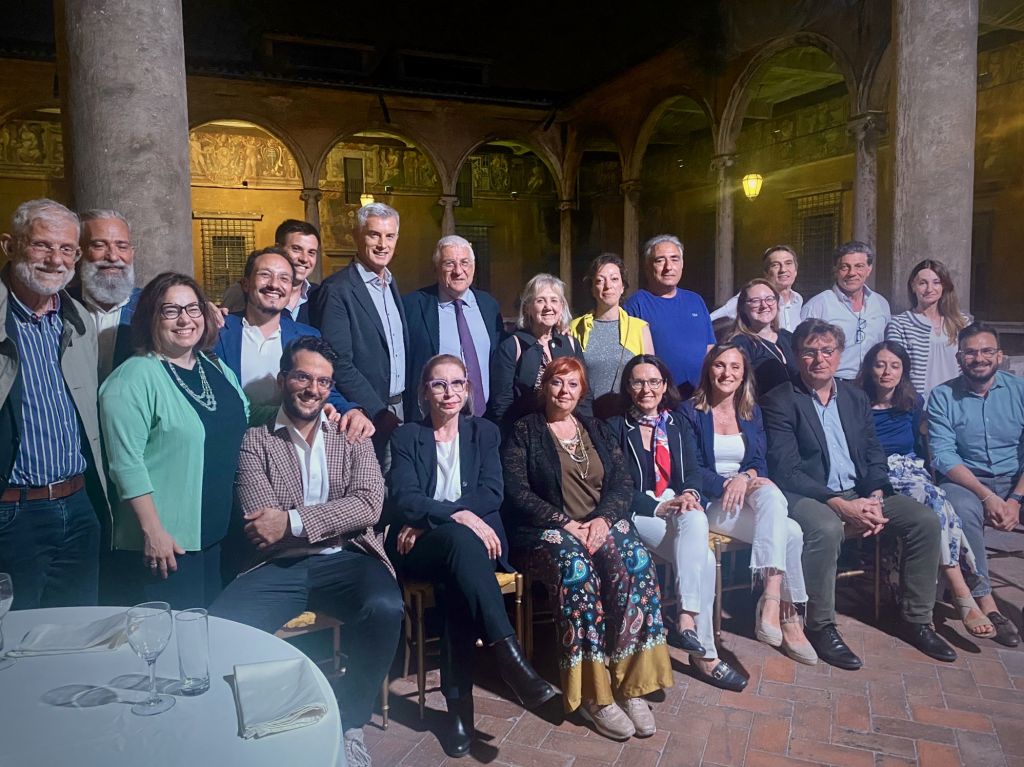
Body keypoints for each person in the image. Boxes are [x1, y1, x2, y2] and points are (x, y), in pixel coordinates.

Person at [209, 337, 403, 767]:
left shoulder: (352, 434)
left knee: (387, 607)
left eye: (323, 381)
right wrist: (327, 518)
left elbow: (370, 504)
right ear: (282, 381)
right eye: (302, 376)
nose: (312, 388)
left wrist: (293, 522)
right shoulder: (254, 441)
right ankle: (249, 730)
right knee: (218, 631)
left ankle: (351, 722)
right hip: (278, 566)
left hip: (350, 558)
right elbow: (263, 527)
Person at [761, 318, 956, 669]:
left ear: (839, 355)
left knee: (924, 521)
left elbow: (872, 452)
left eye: (827, 351)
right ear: (796, 356)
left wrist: (877, 495)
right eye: (809, 352)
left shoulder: (854, 397)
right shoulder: (780, 400)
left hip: (859, 492)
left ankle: (917, 619)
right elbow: (785, 469)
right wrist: (839, 504)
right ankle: (820, 626)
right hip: (808, 495)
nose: (819, 359)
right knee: (827, 527)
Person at [388, 354, 556, 757]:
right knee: (460, 544)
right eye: (439, 384)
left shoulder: (485, 432)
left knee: (456, 582)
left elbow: (492, 492)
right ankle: (509, 658)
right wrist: (457, 515)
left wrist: (432, 517)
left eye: (457, 383)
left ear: (469, 390)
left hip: (467, 546)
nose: (449, 393)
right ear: (423, 392)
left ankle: (458, 711)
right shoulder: (407, 436)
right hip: (422, 548)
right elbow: (404, 497)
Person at [502, 356, 671, 741]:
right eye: (558, 383)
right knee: (576, 571)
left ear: (582, 391)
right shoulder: (524, 431)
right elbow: (516, 492)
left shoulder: (595, 428)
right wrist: (565, 524)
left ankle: (633, 683)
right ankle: (596, 695)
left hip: (598, 524)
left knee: (635, 561)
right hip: (546, 531)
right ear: (544, 387)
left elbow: (623, 483)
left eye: (573, 385)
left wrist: (603, 520)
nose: (565, 391)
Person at [100, 273, 249, 608]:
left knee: (209, 640)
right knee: (170, 647)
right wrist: (153, 532)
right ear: (150, 317)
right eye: (170, 311)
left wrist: (311, 407)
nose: (185, 319)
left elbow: (246, 414)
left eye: (193, 309)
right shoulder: (132, 379)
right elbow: (125, 464)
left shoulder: (213, 366)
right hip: (167, 545)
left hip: (217, 534)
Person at [607, 355, 749, 691]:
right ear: (628, 387)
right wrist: (657, 507)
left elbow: (694, 472)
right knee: (704, 557)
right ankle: (706, 656)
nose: (647, 389)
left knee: (696, 524)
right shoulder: (614, 428)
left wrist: (689, 493)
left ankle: (687, 622)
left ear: (664, 385)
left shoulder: (677, 423)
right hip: (640, 513)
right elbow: (616, 484)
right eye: (639, 382)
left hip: (680, 508)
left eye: (654, 382)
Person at [0, 199, 107, 609]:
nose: (55, 260)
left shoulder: (76, 317)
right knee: (15, 643)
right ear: (10, 246)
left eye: (67, 250)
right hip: (13, 514)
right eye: (42, 245)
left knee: (77, 634)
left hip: (78, 506)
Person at [680, 343, 816, 665]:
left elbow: (759, 462)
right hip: (714, 502)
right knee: (792, 533)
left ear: (744, 375)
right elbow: (692, 468)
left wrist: (747, 475)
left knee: (770, 493)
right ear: (708, 370)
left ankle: (771, 598)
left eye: (735, 367)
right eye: (719, 366)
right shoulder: (689, 412)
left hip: (750, 495)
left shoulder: (751, 412)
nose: (727, 373)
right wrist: (730, 482)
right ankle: (787, 615)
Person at [854, 341, 989, 638]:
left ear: (904, 370)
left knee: (937, 501)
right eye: (880, 364)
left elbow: (919, 446)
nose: (886, 372)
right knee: (937, 503)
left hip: (911, 471)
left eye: (894, 365)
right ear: (869, 367)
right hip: (875, 474)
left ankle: (952, 589)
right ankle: (962, 589)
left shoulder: (912, 402)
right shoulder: (855, 401)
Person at [927, 322, 1023, 647]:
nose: (978, 358)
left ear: (1000, 356)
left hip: (1016, 482)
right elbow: (943, 456)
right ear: (959, 357)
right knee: (961, 508)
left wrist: (1015, 500)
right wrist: (987, 497)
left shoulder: (1019, 391)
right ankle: (987, 604)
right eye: (970, 352)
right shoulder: (942, 396)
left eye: (986, 351)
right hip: (969, 481)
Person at [211, 246, 371, 437]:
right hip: (232, 442)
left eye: (284, 278)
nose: (274, 284)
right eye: (265, 275)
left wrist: (351, 410)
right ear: (245, 284)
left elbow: (325, 390)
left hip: (290, 445)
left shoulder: (307, 337)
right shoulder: (217, 332)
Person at [310, 203, 408, 455]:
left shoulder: (391, 282)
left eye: (390, 236)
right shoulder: (337, 289)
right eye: (373, 234)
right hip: (364, 412)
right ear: (357, 236)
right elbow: (337, 361)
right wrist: (378, 411)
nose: (382, 244)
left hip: (398, 407)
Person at [402, 235, 504, 420]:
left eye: (464, 262)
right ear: (436, 268)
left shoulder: (489, 305)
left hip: (486, 419)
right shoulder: (413, 306)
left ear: (473, 267)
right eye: (449, 263)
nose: (458, 271)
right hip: (433, 419)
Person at [487, 273, 591, 433]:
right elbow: (501, 404)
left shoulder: (570, 344)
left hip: (568, 431)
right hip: (526, 434)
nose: (548, 307)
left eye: (554, 300)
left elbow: (585, 394)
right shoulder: (511, 346)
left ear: (562, 307)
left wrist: (586, 430)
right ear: (528, 307)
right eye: (540, 300)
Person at [623, 234, 715, 397]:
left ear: (682, 264)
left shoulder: (695, 301)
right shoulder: (636, 305)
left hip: (699, 398)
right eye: (660, 260)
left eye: (674, 259)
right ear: (647, 266)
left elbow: (709, 348)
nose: (668, 267)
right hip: (660, 401)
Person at [569, 253, 654, 418]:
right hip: (586, 418)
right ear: (593, 289)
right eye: (600, 281)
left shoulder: (640, 328)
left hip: (630, 418)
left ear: (623, 287)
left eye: (614, 279)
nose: (608, 286)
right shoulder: (575, 328)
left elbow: (650, 377)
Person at [801, 241, 891, 381]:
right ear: (835, 270)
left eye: (859, 266)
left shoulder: (881, 304)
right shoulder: (817, 305)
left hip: (873, 383)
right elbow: (803, 350)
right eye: (845, 267)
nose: (852, 273)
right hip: (835, 383)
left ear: (869, 269)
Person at [70, 208, 140, 381]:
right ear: (79, 252)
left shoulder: (154, 305)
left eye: (122, 246)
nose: (113, 256)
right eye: (99, 245)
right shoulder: (59, 305)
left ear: (132, 253)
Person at [885, 259, 969, 399]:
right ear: (913, 286)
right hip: (918, 404)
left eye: (936, 283)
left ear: (944, 286)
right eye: (923, 283)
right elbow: (896, 369)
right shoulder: (900, 324)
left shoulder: (962, 323)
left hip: (956, 400)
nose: (929, 289)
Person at [221, 219, 321, 324]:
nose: (304, 259)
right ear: (278, 248)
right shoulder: (244, 291)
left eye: (311, 253)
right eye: (296, 249)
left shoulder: (319, 294)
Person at [728, 278, 798, 397]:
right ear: (743, 308)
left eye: (769, 299)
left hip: (797, 411)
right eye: (755, 301)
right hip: (764, 412)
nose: (764, 305)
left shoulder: (788, 337)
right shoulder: (740, 345)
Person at [711, 245, 804, 332]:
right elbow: (710, 321)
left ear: (795, 270)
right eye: (775, 265)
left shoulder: (797, 300)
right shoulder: (751, 298)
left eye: (788, 263)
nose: (783, 269)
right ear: (766, 273)